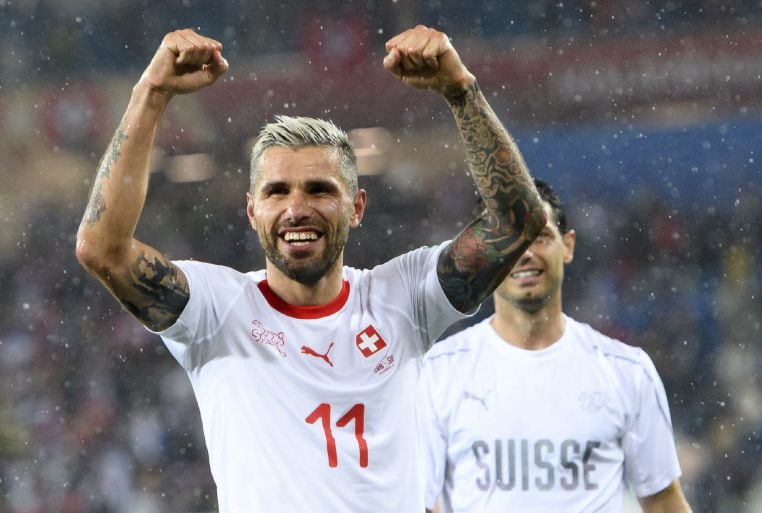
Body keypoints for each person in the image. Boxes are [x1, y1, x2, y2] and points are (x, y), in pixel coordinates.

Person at [75, 25, 546, 513]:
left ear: (357, 207)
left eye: (319, 190)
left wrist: (461, 90)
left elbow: (518, 224)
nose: (297, 209)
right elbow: (101, 248)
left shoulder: (402, 298)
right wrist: (151, 92)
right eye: (277, 192)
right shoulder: (216, 309)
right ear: (252, 211)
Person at [419, 180, 693, 513]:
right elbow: (421, 502)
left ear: (568, 245)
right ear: (484, 257)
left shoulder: (627, 370)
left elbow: (664, 504)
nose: (526, 253)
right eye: (507, 241)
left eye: (541, 237)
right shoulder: (438, 373)